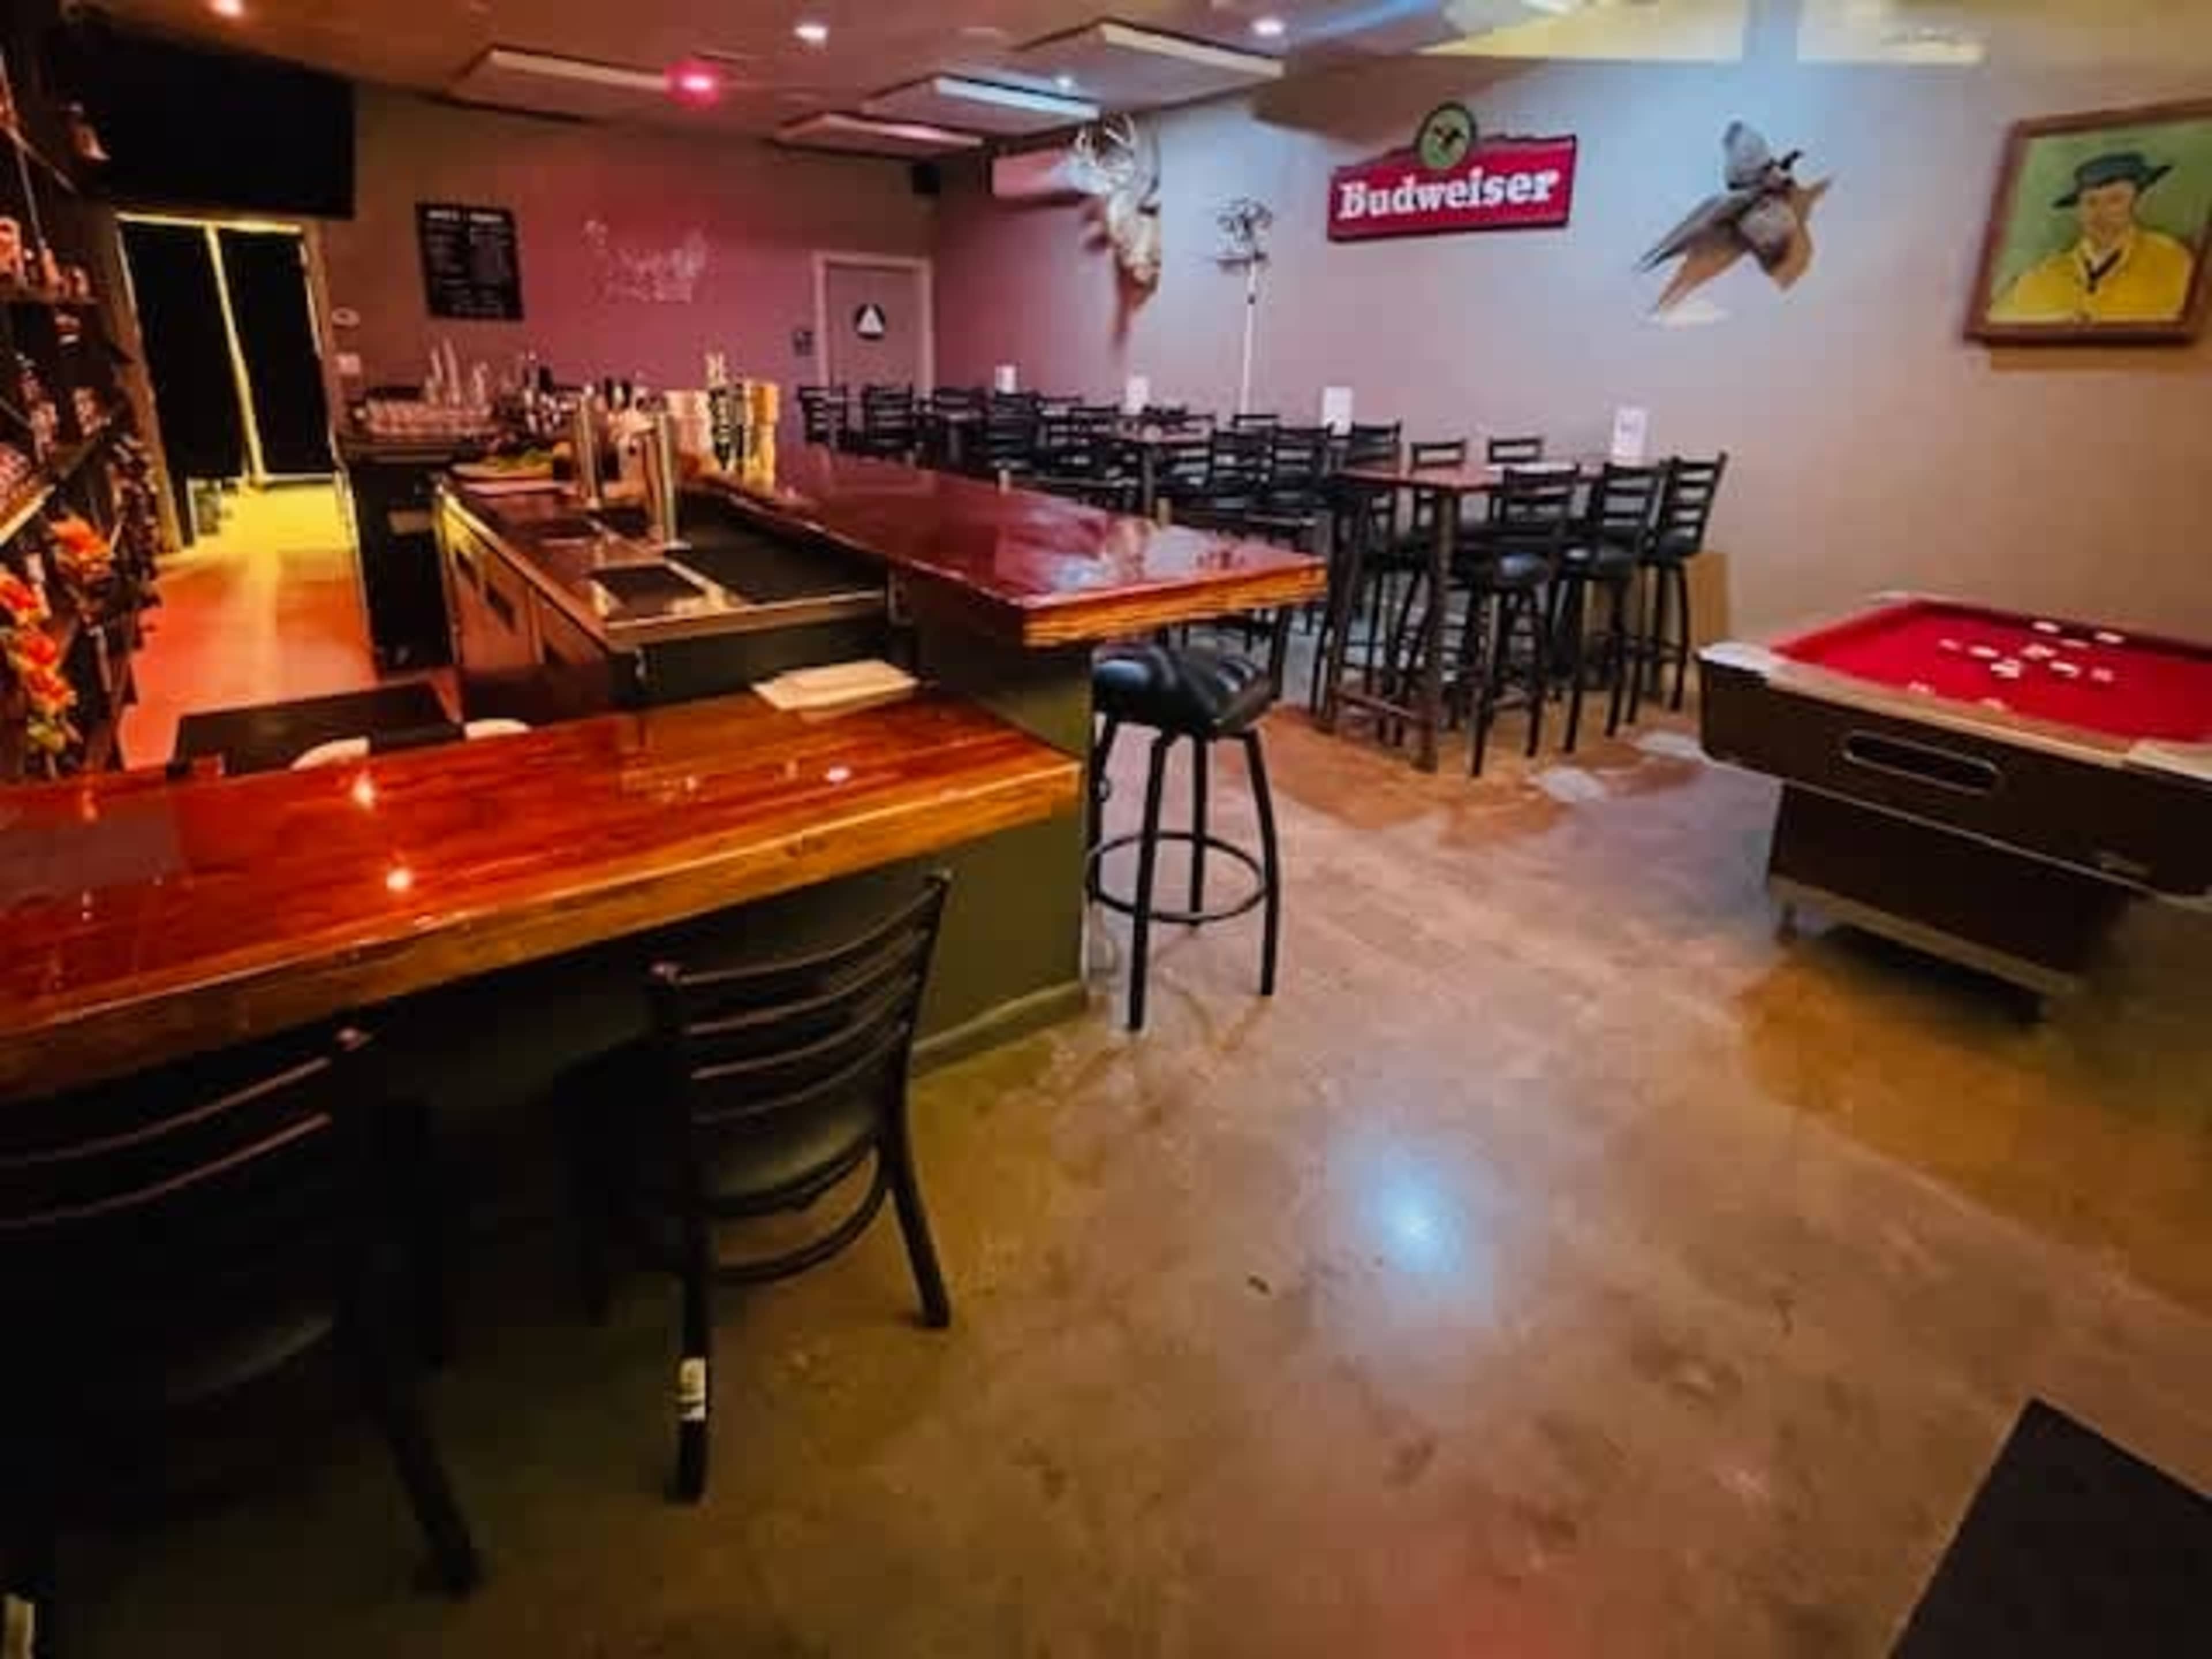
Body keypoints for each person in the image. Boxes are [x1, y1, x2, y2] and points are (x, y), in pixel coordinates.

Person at [1989, 150, 2198, 324]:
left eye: (2115, 200)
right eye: (2091, 202)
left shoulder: (2171, 259)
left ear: (2135, 202)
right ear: (2079, 209)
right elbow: (1997, 321)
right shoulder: (2043, 275)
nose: (2101, 213)